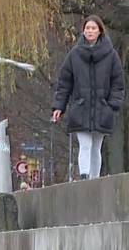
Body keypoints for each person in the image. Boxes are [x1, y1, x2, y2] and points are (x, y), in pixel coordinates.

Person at [51, 15, 125, 180]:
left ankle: (94, 179)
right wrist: (58, 107)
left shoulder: (111, 55)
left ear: (99, 31)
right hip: (81, 107)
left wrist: (112, 105)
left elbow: (118, 83)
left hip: (102, 108)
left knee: (96, 148)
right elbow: (64, 83)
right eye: (87, 28)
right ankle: (85, 178)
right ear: (83, 31)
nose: (90, 31)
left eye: (93, 28)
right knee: (85, 145)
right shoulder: (74, 55)